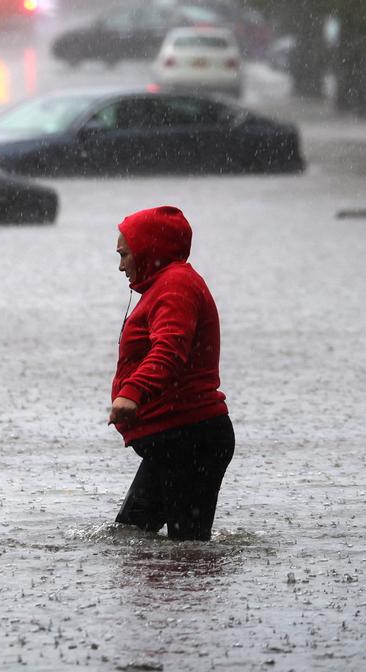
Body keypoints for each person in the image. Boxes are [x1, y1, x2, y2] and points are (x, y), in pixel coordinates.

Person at [107, 205, 235, 541]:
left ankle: (193, 595)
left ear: (148, 248)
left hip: (190, 437)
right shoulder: (167, 285)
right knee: (130, 538)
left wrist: (132, 392)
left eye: (124, 255)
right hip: (177, 440)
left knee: (188, 550)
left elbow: (169, 349)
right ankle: (161, 595)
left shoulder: (175, 286)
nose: (120, 266)